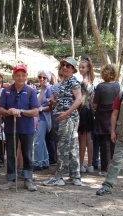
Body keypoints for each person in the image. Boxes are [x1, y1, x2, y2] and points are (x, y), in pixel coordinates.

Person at [43, 57, 85, 186]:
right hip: (65, 117)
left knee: (63, 146)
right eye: (63, 65)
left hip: (68, 118)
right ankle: (75, 176)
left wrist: (66, 113)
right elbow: (67, 100)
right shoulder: (64, 83)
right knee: (72, 146)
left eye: (68, 66)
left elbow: (79, 99)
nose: (65, 67)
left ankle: (59, 176)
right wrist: (54, 103)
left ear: (73, 69)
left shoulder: (73, 82)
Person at [0, 65, 39, 191]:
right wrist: (9, 112)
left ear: (26, 76)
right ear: (13, 76)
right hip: (11, 127)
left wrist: (20, 111)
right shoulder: (6, 91)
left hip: (27, 128)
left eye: (23, 75)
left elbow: (35, 111)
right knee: (10, 153)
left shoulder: (31, 91)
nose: (20, 77)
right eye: (18, 75)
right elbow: (0, 109)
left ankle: (28, 179)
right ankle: (10, 179)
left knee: (27, 153)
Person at [92, 64, 121, 176]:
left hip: (102, 117)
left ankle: (105, 169)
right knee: (113, 142)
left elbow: (95, 105)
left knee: (104, 144)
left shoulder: (100, 87)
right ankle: (113, 167)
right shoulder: (118, 86)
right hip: (115, 116)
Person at [77, 57, 95, 174]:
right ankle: (90, 164)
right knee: (88, 138)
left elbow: (82, 100)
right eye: (80, 67)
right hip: (89, 111)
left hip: (83, 111)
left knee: (82, 138)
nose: (81, 69)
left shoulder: (83, 82)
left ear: (88, 69)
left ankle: (81, 164)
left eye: (83, 67)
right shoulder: (91, 81)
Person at [33, 70, 52, 171]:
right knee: (41, 140)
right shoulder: (38, 88)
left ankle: (38, 162)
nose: (41, 79)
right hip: (38, 117)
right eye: (40, 77)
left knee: (38, 141)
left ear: (48, 78)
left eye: (44, 77)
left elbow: (51, 106)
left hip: (44, 117)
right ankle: (45, 161)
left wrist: (40, 109)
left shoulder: (49, 89)